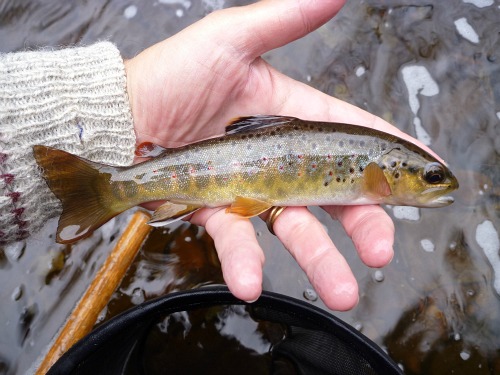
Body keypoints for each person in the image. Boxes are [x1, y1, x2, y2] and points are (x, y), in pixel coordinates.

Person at [0, 0, 439, 311]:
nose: (434, 186)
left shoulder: (372, 162)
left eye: (430, 178)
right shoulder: (372, 165)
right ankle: (103, 188)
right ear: (390, 173)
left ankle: (104, 187)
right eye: (429, 178)